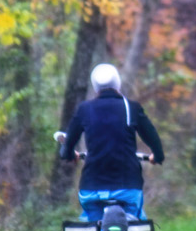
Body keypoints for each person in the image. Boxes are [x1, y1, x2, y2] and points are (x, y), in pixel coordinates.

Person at [55, 64, 165, 221]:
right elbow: (152, 137)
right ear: (117, 83)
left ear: (95, 86)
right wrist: (157, 156)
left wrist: (71, 154)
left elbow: (67, 150)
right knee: (138, 223)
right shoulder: (131, 108)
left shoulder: (85, 109)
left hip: (92, 188)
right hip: (127, 186)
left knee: (90, 225)